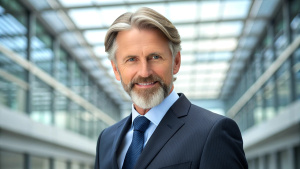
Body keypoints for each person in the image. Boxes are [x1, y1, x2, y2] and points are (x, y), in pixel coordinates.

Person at [94, 7, 248, 169]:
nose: (145, 72)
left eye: (155, 57)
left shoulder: (213, 132)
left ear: (176, 62)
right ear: (116, 69)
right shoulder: (106, 139)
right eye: (131, 59)